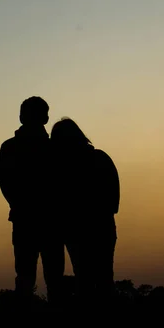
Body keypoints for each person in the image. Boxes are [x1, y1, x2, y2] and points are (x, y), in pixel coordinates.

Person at [0, 97, 65, 306]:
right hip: (47, 219)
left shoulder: (11, 147)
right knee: (51, 278)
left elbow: (5, 183)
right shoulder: (54, 148)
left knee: (28, 278)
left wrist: (20, 205)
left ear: (21, 117)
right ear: (45, 118)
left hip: (28, 219)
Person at [50, 117, 120, 308]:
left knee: (85, 278)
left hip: (78, 230)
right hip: (102, 226)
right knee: (104, 277)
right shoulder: (100, 158)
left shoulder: (62, 168)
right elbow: (114, 199)